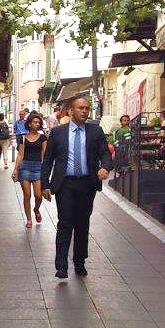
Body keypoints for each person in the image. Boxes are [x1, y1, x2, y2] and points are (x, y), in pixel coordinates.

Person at [41, 97, 113, 278]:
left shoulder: (95, 131)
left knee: (82, 223)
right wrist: (45, 185)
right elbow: (48, 161)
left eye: (87, 108)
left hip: (87, 183)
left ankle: (79, 262)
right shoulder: (58, 133)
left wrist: (105, 167)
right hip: (65, 184)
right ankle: (61, 265)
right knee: (65, 222)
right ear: (71, 111)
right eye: (80, 108)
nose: (84, 111)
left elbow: (105, 152)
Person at [12, 112, 49, 228]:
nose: (37, 124)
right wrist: (15, 170)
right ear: (29, 124)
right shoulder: (23, 137)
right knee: (27, 195)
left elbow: (45, 153)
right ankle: (28, 219)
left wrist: (46, 169)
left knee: (38, 195)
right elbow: (20, 155)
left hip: (38, 167)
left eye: (39, 122)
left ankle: (36, 209)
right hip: (25, 168)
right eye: (35, 122)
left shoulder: (43, 137)